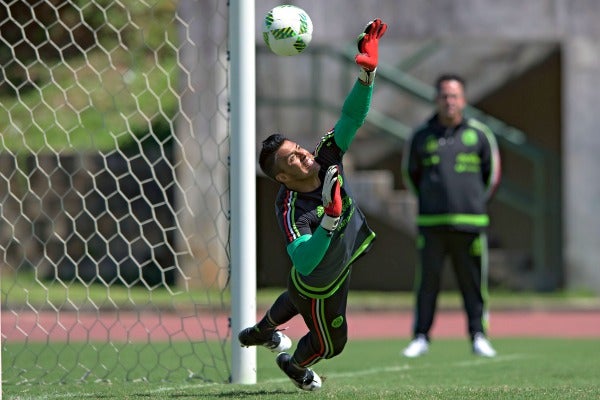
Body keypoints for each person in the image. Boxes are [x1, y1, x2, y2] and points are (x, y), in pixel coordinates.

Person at [237, 19, 387, 391]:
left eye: (298, 149)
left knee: (294, 295)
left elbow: (351, 116)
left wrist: (367, 76)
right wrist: (330, 220)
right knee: (331, 344)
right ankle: (296, 365)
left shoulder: (325, 157)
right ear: (283, 178)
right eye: (292, 160)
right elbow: (303, 259)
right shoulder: (290, 207)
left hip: (327, 270)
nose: (303, 155)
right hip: (322, 283)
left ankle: (262, 331)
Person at [400, 73, 501, 358]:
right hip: (431, 224)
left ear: (463, 100)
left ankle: (478, 335)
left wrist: (472, 204)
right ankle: (420, 337)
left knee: (473, 284)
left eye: (454, 96)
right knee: (427, 283)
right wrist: (431, 200)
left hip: (470, 224)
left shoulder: (480, 135)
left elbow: (491, 176)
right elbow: (411, 175)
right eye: (444, 96)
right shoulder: (421, 136)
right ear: (436, 99)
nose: (449, 101)